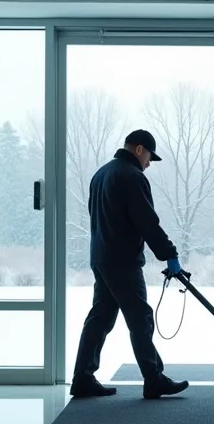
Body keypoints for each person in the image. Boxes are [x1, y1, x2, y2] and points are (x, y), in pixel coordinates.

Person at [70, 129, 190, 399]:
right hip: (122, 261)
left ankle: (82, 378)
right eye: (149, 157)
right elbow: (147, 221)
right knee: (140, 319)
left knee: (100, 318)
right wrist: (169, 254)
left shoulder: (101, 174)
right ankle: (154, 379)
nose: (149, 164)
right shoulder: (131, 177)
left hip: (101, 257)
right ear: (138, 149)